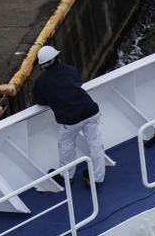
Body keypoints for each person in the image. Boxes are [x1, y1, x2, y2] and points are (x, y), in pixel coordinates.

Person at [30, 45, 105, 188]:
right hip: (90, 110)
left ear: (43, 65)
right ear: (57, 59)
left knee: (65, 144)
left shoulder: (41, 82)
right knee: (95, 144)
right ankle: (97, 177)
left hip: (71, 119)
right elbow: (77, 83)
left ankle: (67, 176)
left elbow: (40, 101)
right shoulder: (71, 69)